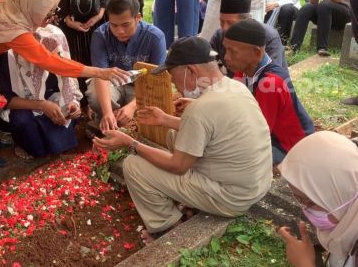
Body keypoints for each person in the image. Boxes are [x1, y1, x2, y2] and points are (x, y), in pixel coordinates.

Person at [94, 36, 272, 244]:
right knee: (173, 134)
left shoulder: (201, 109)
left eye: (174, 77)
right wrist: (165, 120)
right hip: (255, 185)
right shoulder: (235, 87)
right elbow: (217, 130)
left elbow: (177, 166)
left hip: (231, 198)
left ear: (192, 71)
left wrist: (130, 142)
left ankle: (166, 226)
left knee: (133, 165)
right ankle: (190, 200)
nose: (173, 84)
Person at [0, 0, 129, 167]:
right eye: (47, 14)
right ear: (32, 9)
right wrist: (99, 72)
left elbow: (61, 74)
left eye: (52, 14)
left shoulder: (13, 7)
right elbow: (50, 62)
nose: (49, 20)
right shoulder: (15, 30)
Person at [222, 19, 314, 165]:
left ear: (257, 53)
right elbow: (229, 100)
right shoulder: (243, 71)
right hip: (271, 136)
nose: (226, 57)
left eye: (232, 51)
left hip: (290, 146)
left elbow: (257, 135)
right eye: (226, 49)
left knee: (228, 156)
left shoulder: (270, 84)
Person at [0, 25, 83, 159]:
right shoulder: (9, 56)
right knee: (25, 127)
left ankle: (54, 141)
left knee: (67, 116)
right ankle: (25, 144)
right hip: (24, 106)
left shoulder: (57, 53)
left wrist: (73, 106)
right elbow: (6, 100)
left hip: (52, 102)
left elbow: (68, 87)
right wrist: (42, 105)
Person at [277, 131, 358, 267]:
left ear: (343, 195)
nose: (306, 210)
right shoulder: (348, 221)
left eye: (311, 202)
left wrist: (304, 263)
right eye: (299, 199)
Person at [87, 0, 166, 131]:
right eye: (114, 25)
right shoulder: (100, 35)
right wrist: (107, 112)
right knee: (95, 97)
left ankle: (119, 119)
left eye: (125, 25)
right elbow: (100, 76)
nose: (119, 31)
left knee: (153, 104)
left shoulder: (155, 37)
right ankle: (109, 118)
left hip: (142, 88)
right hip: (112, 84)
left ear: (138, 17)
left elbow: (156, 81)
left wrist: (132, 107)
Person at [210, 0, 288, 75]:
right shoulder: (220, 35)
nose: (224, 28)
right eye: (222, 22)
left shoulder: (267, 36)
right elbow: (207, 61)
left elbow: (273, 73)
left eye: (230, 23)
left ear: (246, 21)